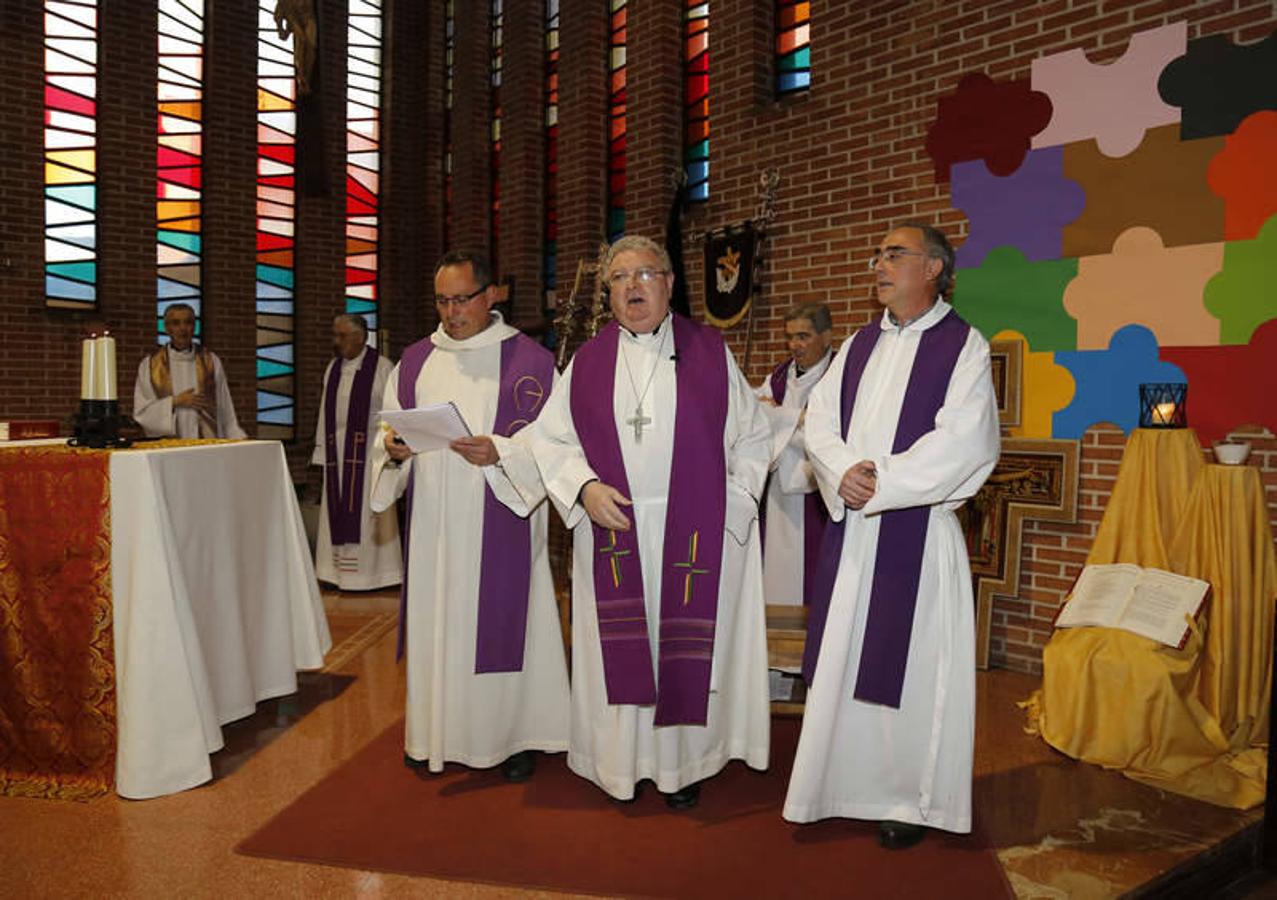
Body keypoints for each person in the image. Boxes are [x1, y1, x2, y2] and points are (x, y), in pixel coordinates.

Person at [530, 234, 772, 810]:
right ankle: (620, 765)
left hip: (692, 536)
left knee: (679, 649)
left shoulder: (710, 350)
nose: (633, 286)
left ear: (668, 283)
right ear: (608, 293)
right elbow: (550, 441)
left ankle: (683, 766)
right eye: (619, 277)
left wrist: (731, 503)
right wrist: (583, 488)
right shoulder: (586, 363)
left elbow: (753, 436)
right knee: (622, 648)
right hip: (615, 530)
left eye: (645, 273)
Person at [781, 223, 999, 848]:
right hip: (854, 540)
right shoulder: (857, 345)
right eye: (876, 253)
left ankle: (910, 797)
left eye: (894, 254)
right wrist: (840, 470)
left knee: (915, 668)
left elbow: (968, 438)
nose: (878, 262)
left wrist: (881, 480)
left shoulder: (963, 346)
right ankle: (836, 784)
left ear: (933, 268)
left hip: (916, 536)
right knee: (847, 660)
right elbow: (817, 421)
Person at [368, 251, 568, 782]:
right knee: (440, 624)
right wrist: (394, 449)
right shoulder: (413, 362)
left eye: (462, 299)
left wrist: (502, 452)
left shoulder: (532, 362)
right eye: (442, 300)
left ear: (491, 295)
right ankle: (431, 734)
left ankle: (509, 738)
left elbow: (557, 443)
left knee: (500, 622)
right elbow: (383, 437)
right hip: (434, 525)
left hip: (500, 513)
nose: (452, 311)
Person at [310, 314, 402, 591]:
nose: (336, 342)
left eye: (342, 336)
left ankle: (378, 575)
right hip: (337, 455)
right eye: (335, 336)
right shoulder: (333, 369)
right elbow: (324, 413)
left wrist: (388, 448)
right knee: (337, 511)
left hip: (370, 455)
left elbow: (393, 412)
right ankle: (336, 573)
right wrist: (320, 451)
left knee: (368, 513)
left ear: (361, 337)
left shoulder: (383, 368)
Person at [755, 303, 835, 608]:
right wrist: (795, 419)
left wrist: (783, 419)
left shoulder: (841, 375)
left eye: (803, 336)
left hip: (818, 491)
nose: (794, 345)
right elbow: (759, 418)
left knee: (816, 581)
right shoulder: (778, 377)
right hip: (777, 492)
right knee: (774, 573)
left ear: (827, 336)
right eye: (790, 337)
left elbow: (834, 433)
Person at [133, 303, 246, 439]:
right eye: (176, 323)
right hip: (169, 448)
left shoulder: (211, 361)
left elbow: (224, 405)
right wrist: (175, 402)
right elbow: (142, 411)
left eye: (188, 322)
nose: (183, 328)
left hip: (206, 444)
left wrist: (236, 436)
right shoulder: (150, 365)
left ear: (194, 327)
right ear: (167, 328)